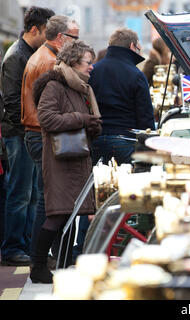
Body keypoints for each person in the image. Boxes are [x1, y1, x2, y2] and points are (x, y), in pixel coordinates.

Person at [30, 40, 101, 283]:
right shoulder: (55, 85)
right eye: (88, 63)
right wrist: (82, 119)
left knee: (70, 212)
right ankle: (38, 267)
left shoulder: (79, 86)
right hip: (60, 159)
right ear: (73, 62)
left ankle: (62, 263)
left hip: (76, 158)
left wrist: (92, 125)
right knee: (57, 214)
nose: (92, 67)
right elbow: (47, 119)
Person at [21, 15, 79, 270]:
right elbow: (50, 111)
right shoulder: (49, 62)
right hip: (41, 135)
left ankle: (47, 257)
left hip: (38, 133)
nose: (77, 44)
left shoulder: (44, 57)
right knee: (48, 202)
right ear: (60, 38)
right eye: (74, 38)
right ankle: (41, 259)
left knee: (48, 200)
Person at [0, 6, 54, 267]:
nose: (50, 36)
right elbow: (11, 102)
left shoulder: (30, 53)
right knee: (20, 194)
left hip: (28, 132)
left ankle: (26, 243)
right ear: (35, 29)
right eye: (47, 31)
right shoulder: (16, 56)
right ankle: (12, 248)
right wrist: (30, 127)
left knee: (31, 194)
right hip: (20, 134)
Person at [89, 27, 155, 166]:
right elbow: (145, 115)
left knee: (99, 184)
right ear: (132, 46)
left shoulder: (94, 70)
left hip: (96, 139)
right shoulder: (136, 74)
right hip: (125, 139)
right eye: (138, 48)